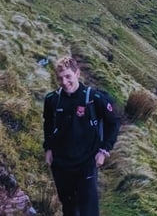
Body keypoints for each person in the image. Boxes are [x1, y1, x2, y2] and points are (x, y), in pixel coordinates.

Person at [43, 56, 120, 216]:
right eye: (60, 78)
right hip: (61, 164)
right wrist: (48, 149)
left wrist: (104, 151)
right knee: (69, 207)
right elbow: (48, 124)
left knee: (88, 209)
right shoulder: (52, 100)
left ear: (77, 74)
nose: (64, 82)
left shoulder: (94, 98)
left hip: (86, 162)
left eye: (68, 76)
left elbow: (114, 122)